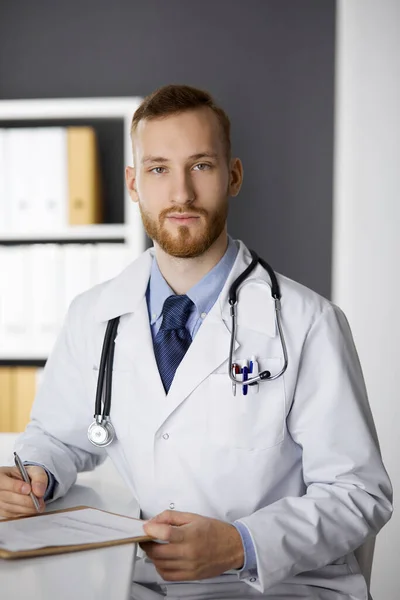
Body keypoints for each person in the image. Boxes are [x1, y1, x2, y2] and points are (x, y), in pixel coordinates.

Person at [0, 84, 392, 599]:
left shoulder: (309, 322)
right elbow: (61, 435)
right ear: (133, 182)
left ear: (233, 177)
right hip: (139, 582)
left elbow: (359, 494)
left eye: (201, 166)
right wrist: (34, 476)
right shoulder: (94, 315)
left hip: (278, 588)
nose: (181, 193)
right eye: (159, 168)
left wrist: (240, 544)